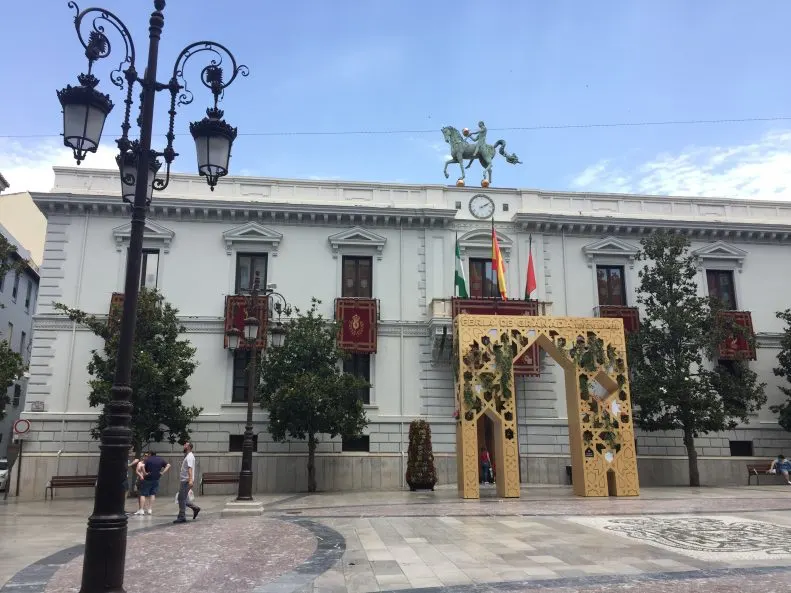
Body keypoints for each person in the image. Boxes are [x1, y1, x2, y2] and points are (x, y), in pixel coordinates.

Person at [135, 450, 170, 515]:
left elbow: (142, 466)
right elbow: (168, 465)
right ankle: (150, 509)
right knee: (152, 494)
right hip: (156, 478)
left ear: (150, 454)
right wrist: (162, 472)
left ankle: (142, 510)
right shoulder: (160, 459)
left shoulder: (148, 460)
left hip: (147, 479)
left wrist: (145, 473)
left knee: (142, 494)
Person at [174, 442, 201, 523]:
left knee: (181, 498)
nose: (183, 446)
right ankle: (195, 508)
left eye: (185, 445)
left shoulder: (189, 456)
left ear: (189, 447)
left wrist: (190, 480)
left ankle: (182, 516)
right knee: (184, 498)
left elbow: (190, 468)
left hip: (186, 481)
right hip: (185, 480)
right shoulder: (188, 456)